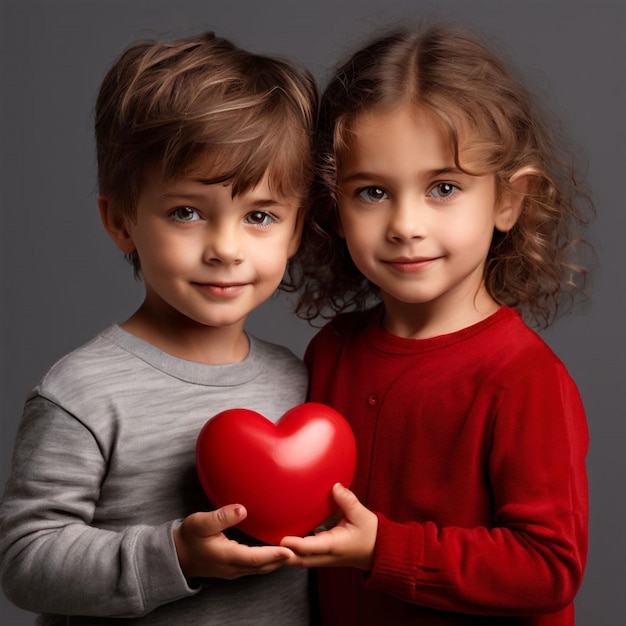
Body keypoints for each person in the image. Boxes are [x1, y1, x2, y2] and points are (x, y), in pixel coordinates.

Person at [0, 31, 317, 624]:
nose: (226, 248)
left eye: (260, 216)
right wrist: (173, 555)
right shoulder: (84, 393)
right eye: (187, 213)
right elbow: (25, 559)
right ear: (122, 222)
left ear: (296, 230)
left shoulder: (299, 383)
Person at [281, 25, 592, 625]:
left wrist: (382, 549)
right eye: (372, 192)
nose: (405, 223)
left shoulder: (523, 379)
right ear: (334, 206)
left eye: (443, 188)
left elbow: (550, 567)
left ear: (508, 199)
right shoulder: (332, 353)